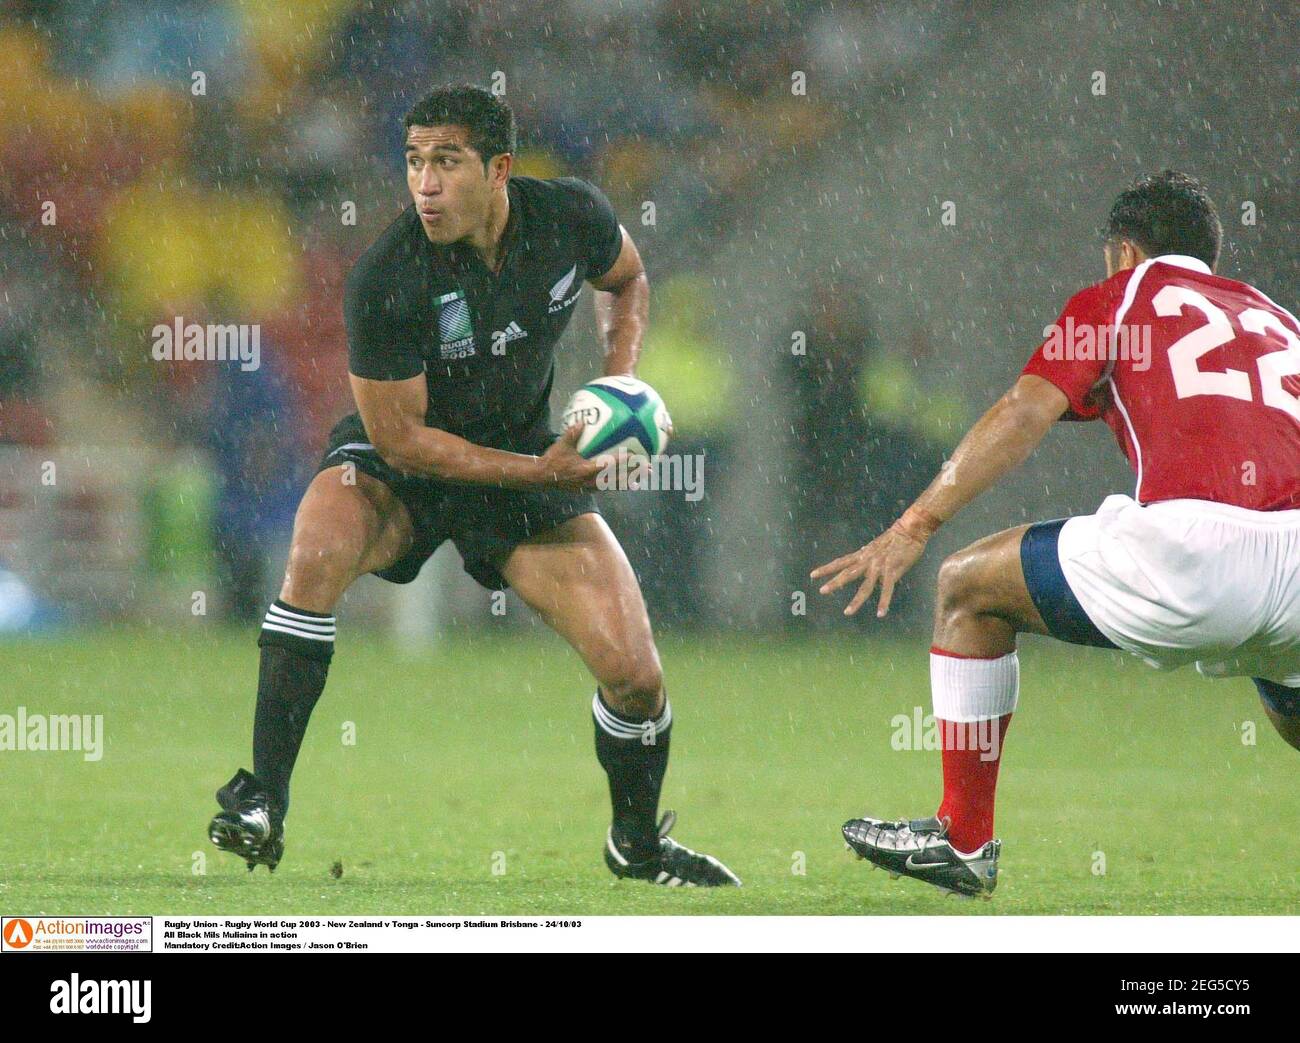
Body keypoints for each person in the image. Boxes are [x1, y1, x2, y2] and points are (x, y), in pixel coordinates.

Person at [207, 85, 739, 888]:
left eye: (446, 162)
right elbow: (401, 438)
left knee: (635, 675)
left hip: (523, 461)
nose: (424, 184)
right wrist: (544, 470)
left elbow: (626, 279)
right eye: (414, 161)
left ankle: (636, 843)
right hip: (405, 466)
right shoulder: (387, 274)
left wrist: (620, 382)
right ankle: (263, 799)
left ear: (499, 169)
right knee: (314, 550)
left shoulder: (569, 216)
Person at [813, 170, 1300, 897]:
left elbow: (1023, 411)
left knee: (967, 588)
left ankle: (963, 838)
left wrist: (915, 522)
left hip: (1196, 552)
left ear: (1124, 252)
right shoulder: (1276, 317)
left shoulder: (1117, 298)